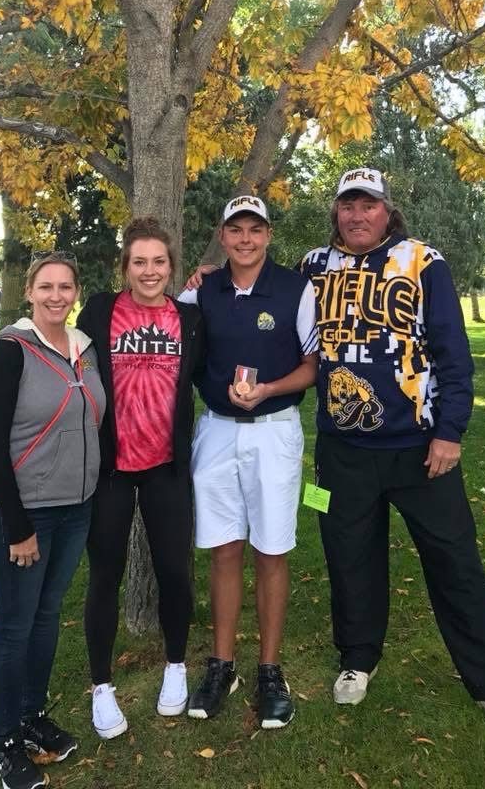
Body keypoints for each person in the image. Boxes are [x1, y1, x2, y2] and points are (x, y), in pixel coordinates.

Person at [298, 167, 485, 746]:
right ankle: (358, 657)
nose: (357, 215)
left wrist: (450, 432)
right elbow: (264, 300)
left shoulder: (423, 261)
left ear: (388, 211)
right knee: (349, 557)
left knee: (456, 563)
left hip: (420, 448)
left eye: (368, 205)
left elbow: (454, 353)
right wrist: (207, 279)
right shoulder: (312, 266)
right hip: (343, 449)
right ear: (336, 212)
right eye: (348, 205)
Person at [180, 195, 318, 729]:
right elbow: (167, 333)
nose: (245, 239)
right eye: (235, 229)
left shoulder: (295, 289)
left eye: (254, 229)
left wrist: (268, 390)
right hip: (216, 431)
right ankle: (222, 666)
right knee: (224, 549)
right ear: (223, 235)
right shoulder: (201, 290)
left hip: (274, 431)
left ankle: (269, 670)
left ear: (268, 234)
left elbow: (311, 365)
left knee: (271, 550)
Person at [0, 251, 106, 789]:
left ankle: (31, 718)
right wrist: (17, 526)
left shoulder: (83, 349)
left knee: (47, 615)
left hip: (76, 508)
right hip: (26, 512)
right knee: (16, 624)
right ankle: (6, 741)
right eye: (47, 287)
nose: (57, 296)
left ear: (76, 292)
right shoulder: (12, 349)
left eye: (66, 287)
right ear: (30, 292)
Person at [76, 218, 205, 739]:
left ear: (171, 266)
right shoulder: (100, 311)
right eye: (139, 262)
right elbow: (67, 360)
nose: (149, 271)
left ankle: (176, 665)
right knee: (105, 574)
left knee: (174, 570)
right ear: (125, 266)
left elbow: (208, 375)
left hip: (165, 468)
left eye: (159, 262)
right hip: (111, 469)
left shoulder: (189, 320)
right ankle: (101, 686)